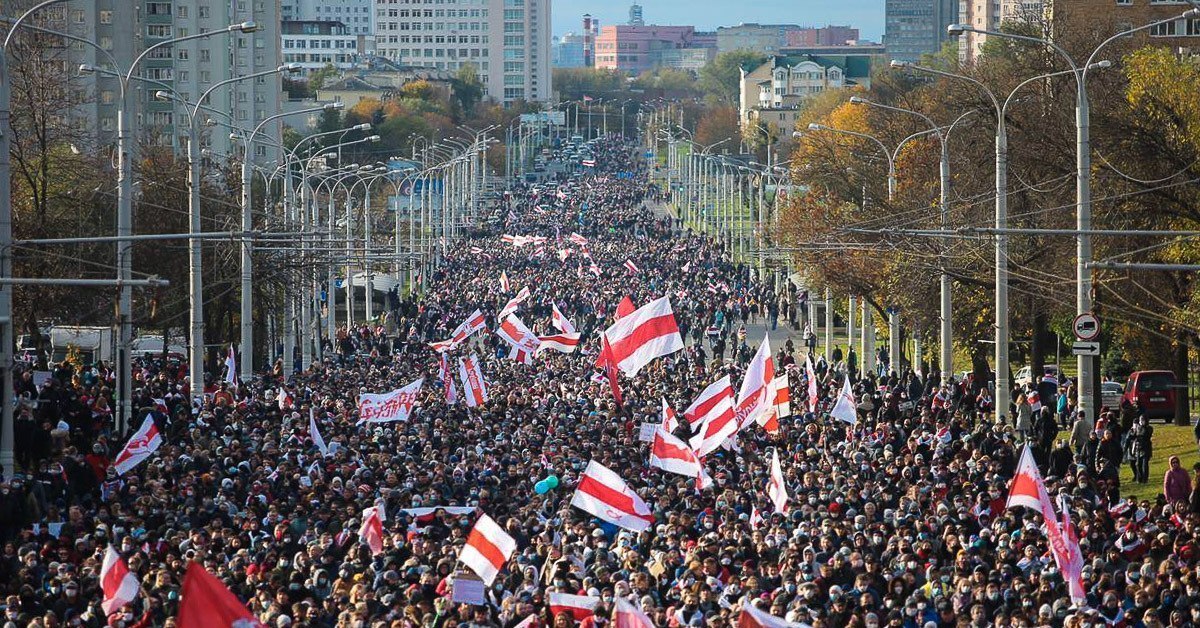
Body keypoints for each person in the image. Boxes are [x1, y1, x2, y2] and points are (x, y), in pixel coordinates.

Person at [1127, 414, 1153, 484]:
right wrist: (1132, 432)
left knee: (1144, 464)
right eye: (1141, 420)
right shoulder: (1138, 428)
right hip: (1138, 448)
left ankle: (1145, 479)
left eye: (1143, 420)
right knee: (1138, 464)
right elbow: (1133, 435)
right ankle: (1139, 478)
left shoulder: (1149, 428)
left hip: (1146, 448)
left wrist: (1141, 428)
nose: (1141, 421)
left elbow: (1146, 435)